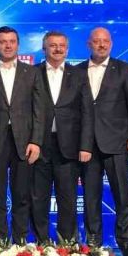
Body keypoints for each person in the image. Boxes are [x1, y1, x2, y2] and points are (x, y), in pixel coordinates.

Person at [0, 26, 44, 244]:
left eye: (12, 41)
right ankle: (1, 243)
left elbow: (39, 110)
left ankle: (20, 242)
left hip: (24, 142)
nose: (7, 45)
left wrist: (36, 141)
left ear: (18, 45)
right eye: (2, 41)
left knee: (22, 196)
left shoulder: (32, 72)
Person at [78, 27, 128, 252]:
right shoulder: (76, 70)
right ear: (89, 44)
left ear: (111, 44)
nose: (101, 45)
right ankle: (93, 245)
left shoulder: (124, 69)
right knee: (90, 197)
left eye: (105, 41)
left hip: (117, 142)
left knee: (123, 196)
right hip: (87, 145)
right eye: (97, 41)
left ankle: (125, 243)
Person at [31, 31, 93, 243]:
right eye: (52, 45)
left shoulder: (79, 74)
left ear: (67, 49)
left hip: (69, 146)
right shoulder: (32, 73)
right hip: (39, 145)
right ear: (44, 49)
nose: (57, 49)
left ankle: (67, 245)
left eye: (61, 45)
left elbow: (87, 112)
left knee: (67, 198)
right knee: (38, 198)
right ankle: (41, 244)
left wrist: (86, 146)